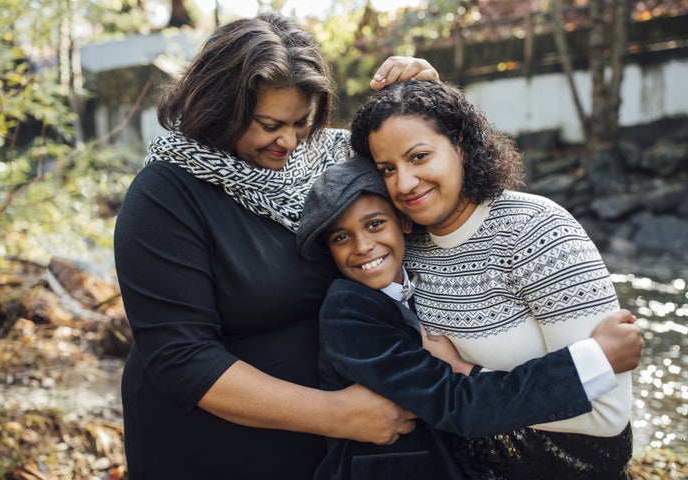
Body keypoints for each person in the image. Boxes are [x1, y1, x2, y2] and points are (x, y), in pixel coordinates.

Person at [113, 12, 639, 479]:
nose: (289, 142)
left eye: (303, 123)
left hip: (330, 450)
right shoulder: (166, 193)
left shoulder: (328, 160)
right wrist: (336, 413)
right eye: (270, 125)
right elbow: (183, 358)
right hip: (211, 451)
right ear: (218, 108)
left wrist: (427, 93)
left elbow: (423, 161)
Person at [350, 79, 636, 479]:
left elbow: (606, 413)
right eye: (387, 169)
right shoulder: (403, 249)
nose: (404, 183)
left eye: (418, 156)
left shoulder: (537, 231)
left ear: (461, 145)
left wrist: (463, 377)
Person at [295, 155, 641, 479]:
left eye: (374, 224)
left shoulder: (415, 270)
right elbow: (453, 402)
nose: (362, 246)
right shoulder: (347, 312)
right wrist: (592, 361)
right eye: (341, 237)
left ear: (403, 222)